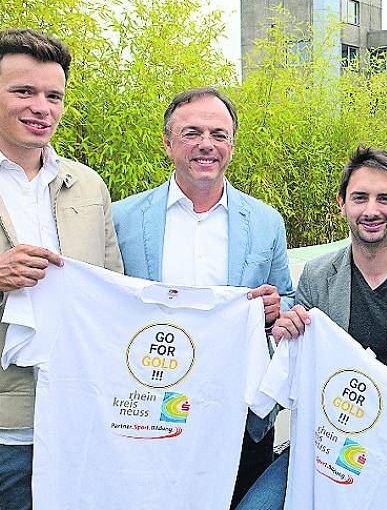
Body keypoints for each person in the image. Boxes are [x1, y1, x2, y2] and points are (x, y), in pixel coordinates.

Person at [0, 28, 123, 509]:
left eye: (54, 96)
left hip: (81, 423)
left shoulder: (87, 185)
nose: (41, 108)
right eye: (24, 91)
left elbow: (112, 294)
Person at [236, 146, 387, 509]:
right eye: (360, 198)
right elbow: (294, 374)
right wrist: (284, 338)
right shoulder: (316, 277)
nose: (371, 210)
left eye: (384, 198)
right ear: (341, 203)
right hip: (327, 446)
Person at [112, 87, 294, 507]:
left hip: (238, 415)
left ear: (232, 144)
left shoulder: (265, 222)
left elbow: (288, 298)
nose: (206, 144)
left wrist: (276, 308)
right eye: (192, 133)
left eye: (218, 134)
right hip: (148, 411)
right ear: (168, 143)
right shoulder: (123, 218)